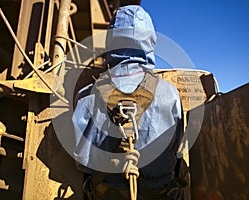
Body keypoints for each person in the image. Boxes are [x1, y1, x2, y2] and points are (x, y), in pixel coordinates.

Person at [72, 2, 184, 199]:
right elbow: (176, 152)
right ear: (150, 40)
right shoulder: (170, 94)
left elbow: (82, 161)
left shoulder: (86, 94)